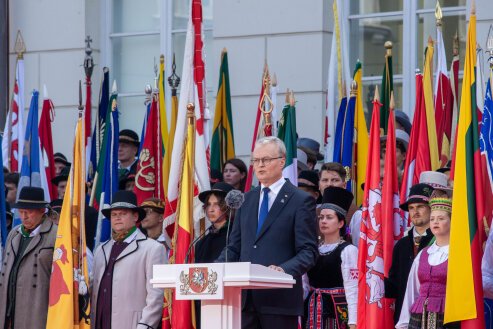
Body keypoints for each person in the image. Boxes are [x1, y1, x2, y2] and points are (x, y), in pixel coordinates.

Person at [217, 136, 318, 329]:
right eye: (256, 160)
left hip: (278, 301)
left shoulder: (300, 200)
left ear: (281, 162)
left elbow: (308, 251)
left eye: (266, 160)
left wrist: (283, 269)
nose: (260, 165)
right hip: (245, 302)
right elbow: (234, 247)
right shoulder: (245, 200)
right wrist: (214, 269)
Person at [91, 190, 166, 329]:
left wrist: (145, 325)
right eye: (114, 215)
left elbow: (156, 295)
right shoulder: (101, 250)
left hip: (132, 325)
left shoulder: (152, 248)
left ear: (135, 216)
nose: (117, 218)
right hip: (100, 323)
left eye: (123, 214)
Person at [396, 197, 459, 329]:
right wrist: (403, 323)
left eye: (441, 219)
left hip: (447, 317)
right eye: (432, 219)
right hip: (418, 318)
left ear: (452, 221)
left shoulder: (458, 254)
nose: (435, 222)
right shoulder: (423, 254)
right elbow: (412, 290)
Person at [0, 186, 58, 329]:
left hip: (37, 313)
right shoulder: (14, 234)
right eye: (21, 211)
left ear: (41, 210)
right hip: (8, 313)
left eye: (29, 212)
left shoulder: (56, 236)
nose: (24, 216)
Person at [304, 186, 358, 329]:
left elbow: (352, 288)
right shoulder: (313, 250)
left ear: (340, 223)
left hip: (337, 311)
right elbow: (304, 285)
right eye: (321, 217)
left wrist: (353, 322)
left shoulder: (348, 250)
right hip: (313, 309)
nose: (323, 221)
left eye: (329, 217)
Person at [385, 183, 435, 324]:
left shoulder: (439, 241)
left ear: (431, 209)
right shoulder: (401, 245)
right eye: (411, 208)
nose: (415, 211)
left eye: (420, 207)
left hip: (431, 316)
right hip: (404, 316)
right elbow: (394, 285)